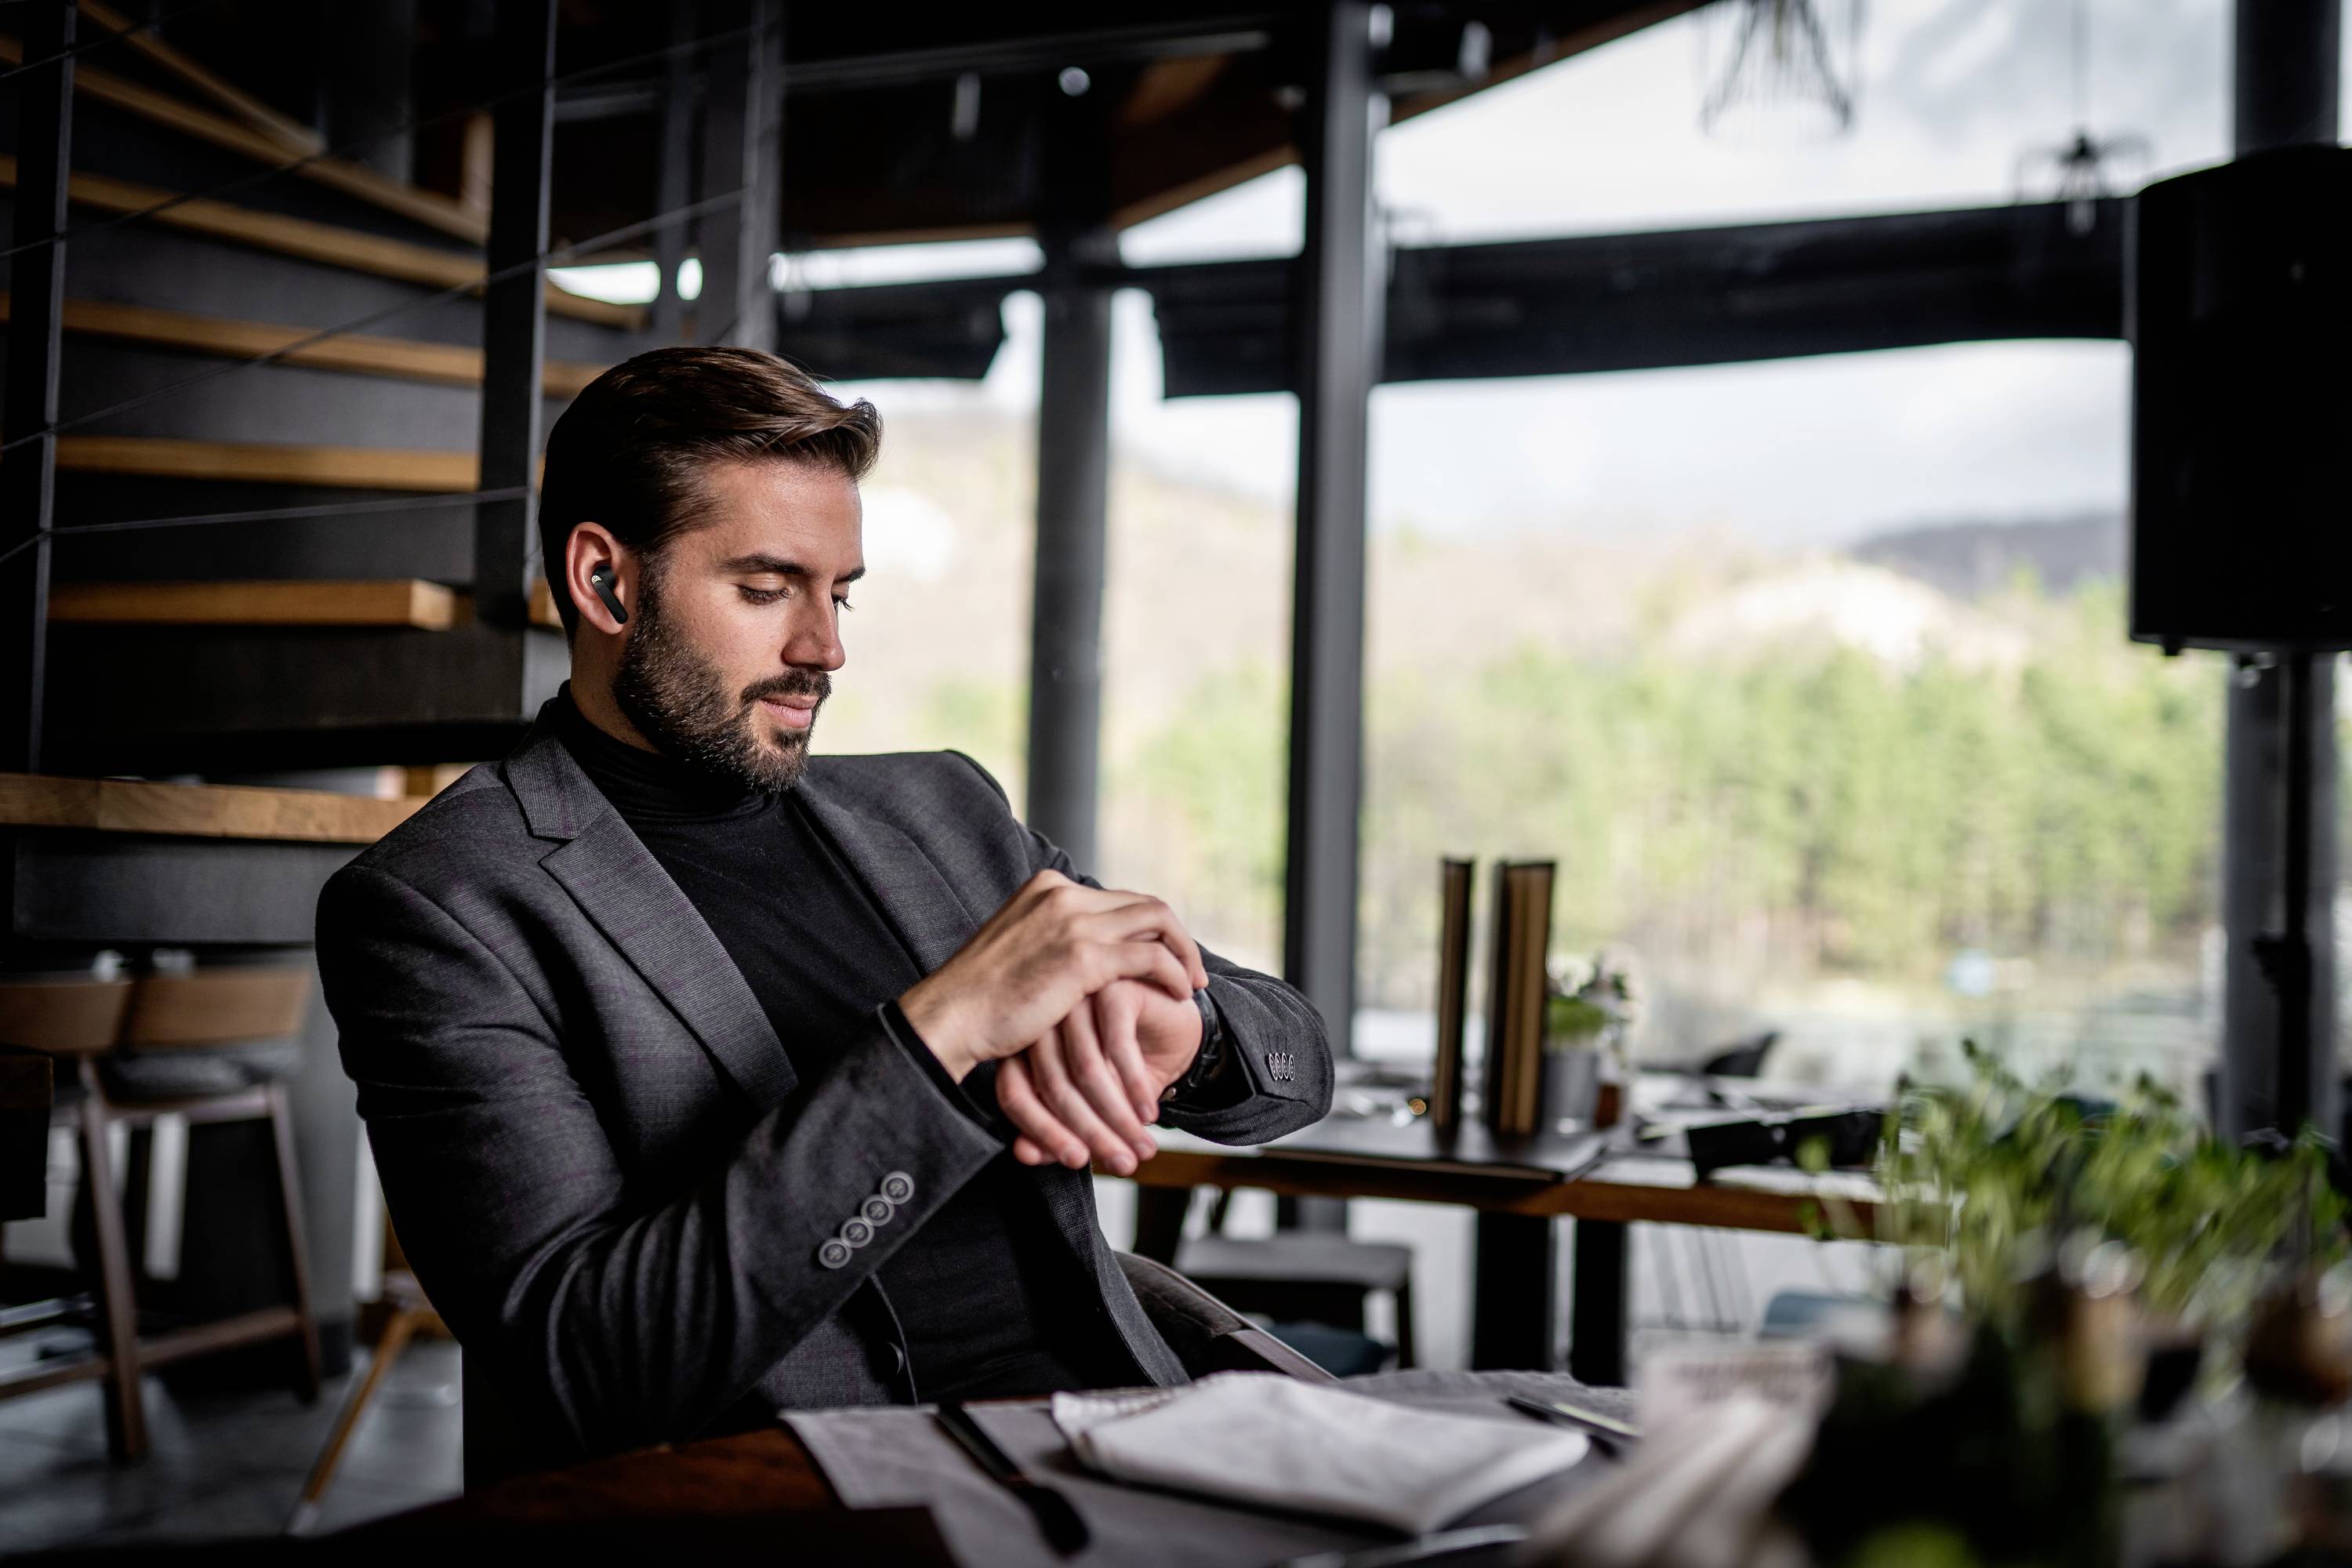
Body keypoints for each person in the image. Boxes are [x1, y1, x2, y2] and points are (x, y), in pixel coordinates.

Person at [315, 346, 1332, 1482]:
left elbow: (1298, 1060)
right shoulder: (441, 908)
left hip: (1139, 1451)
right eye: (765, 589)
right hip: (822, 1506)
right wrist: (939, 1038)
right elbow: (588, 1359)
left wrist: (1186, 1035)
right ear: (604, 583)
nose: (825, 649)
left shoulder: (943, 810)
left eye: (838, 592)